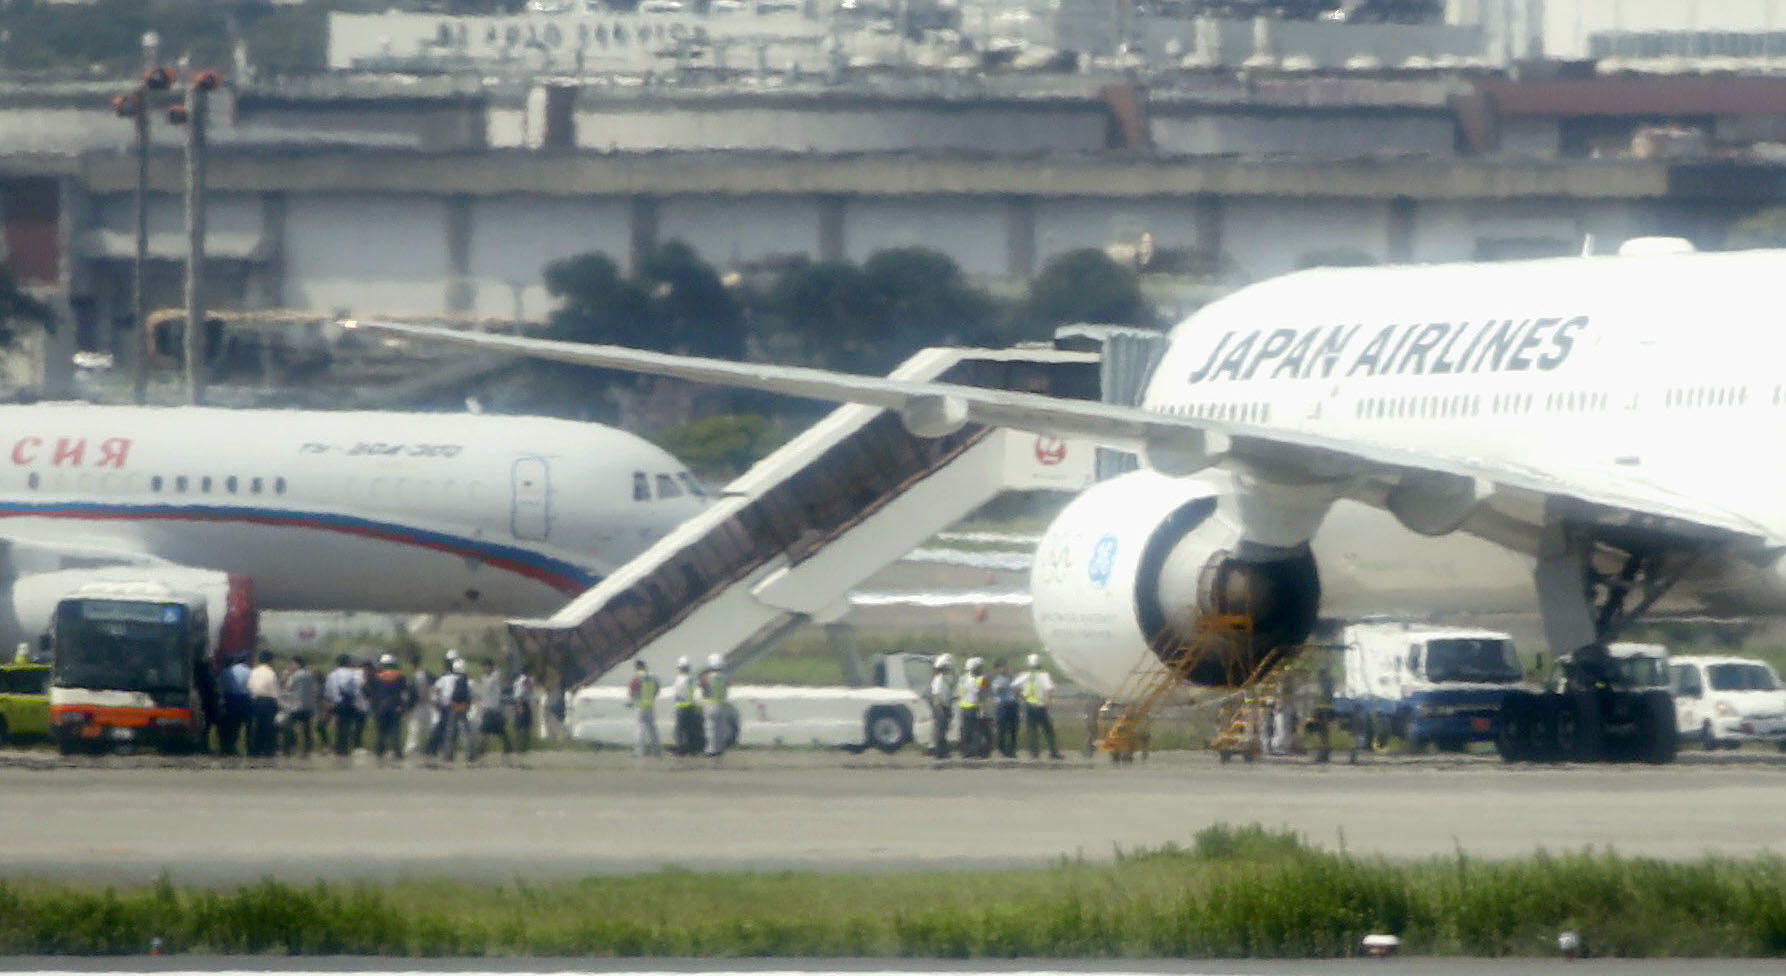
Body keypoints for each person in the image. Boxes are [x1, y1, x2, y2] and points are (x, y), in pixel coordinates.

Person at [1017, 653, 1063, 760]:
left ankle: (1034, 753)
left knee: (1032, 730)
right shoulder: (1043, 675)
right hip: (1041, 706)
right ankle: (1053, 752)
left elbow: (1014, 686)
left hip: (1029, 705)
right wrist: (1048, 701)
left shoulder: (1025, 675)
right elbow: (1050, 689)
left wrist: (1022, 696)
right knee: (1048, 730)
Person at [367, 653, 410, 764]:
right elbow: (404, 693)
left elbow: (371, 694)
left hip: (381, 708)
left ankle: (380, 753)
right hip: (395, 707)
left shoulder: (376, 676)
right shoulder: (400, 676)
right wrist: (404, 707)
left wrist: (373, 709)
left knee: (381, 732)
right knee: (395, 732)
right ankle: (397, 754)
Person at [323, 653, 364, 761]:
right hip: (350, 705)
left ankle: (339, 750)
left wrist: (329, 703)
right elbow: (357, 691)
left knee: (339, 727)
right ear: (348, 662)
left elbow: (328, 692)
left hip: (337, 705)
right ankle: (346, 750)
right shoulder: (353, 675)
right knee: (348, 727)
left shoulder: (332, 675)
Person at [432, 658, 473, 763]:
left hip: (454, 706)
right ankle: (470, 754)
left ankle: (449, 755)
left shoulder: (449, 678)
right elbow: (469, 693)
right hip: (463, 706)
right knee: (466, 732)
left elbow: (447, 693)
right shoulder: (465, 679)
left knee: (450, 731)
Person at [475, 657, 512, 760]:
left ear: (491, 667)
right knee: (484, 733)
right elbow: (481, 693)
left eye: (487, 666)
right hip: (487, 709)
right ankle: (480, 753)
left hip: (496, 710)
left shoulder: (496, 676)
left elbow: (503, 677)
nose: (485, 668)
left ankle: (508, 750)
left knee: (501, 732)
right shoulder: (483, 678)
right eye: (484, 667)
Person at [246, 650, 281, 759]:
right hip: (268, 701)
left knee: (257, 726)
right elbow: (275, 690)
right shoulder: (271, 673)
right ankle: (269, 750)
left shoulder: (254, 672)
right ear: (270, 660)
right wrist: (278, 703)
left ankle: (255, 750)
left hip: (255, 700)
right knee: (268, 727)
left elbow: (249, 686)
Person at [217, 653, 252, 757]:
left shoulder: (225, 671)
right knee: (242, 724)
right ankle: (245, 747)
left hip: (229, 699)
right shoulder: (249, 671)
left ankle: (228, 747)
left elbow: (220, 685)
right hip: (244, 699)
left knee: (230, 724)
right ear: (245, 660)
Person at [283, 655, 318, 758]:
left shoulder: (294, 675)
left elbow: (288, 688)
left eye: (293, 663)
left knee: (288, 727)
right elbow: (314, 689)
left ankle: (288, 749)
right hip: (308, 706)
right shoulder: (310, 674)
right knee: (307, 729)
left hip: (296, 706)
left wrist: (286, 677)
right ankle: (307, 750)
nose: (292, 665)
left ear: (297, 664)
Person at [627, 659, 663, 758]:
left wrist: (631, 702)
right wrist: (653, 696)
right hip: (650, 706)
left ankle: (639, 752)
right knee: (653, 729)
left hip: (640, 706)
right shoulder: (652, 677)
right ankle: (657, 751)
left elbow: (632, 691)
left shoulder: (636, 678)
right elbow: (658, 687)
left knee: (640, 729)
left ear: (637, 667)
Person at [404, 649, 434, 759]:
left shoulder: (416, 676)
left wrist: (408, 707)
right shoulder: (425, 673)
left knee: (415, 728)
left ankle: (412, 750)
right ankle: (429, 749)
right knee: (426, 728)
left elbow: (414, 693)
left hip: (419, 706)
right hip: (425, 705)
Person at [957, 657, 990, 759]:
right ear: (976, 668)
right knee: (977, 731)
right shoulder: (981, 679)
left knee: (966, 731)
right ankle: (976, 752)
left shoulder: (962, 678)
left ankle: (966, 752)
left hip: (963, 707)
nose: (982, 669)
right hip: (975, 707)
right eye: (980, 668)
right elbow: (982, 694)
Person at [699, 653, 731, 758]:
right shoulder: (725, 677)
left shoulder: (707, 677)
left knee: (710, 729)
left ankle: (711, 750)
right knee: (721, 729)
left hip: (711, 705)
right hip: (722, 705)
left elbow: (703, 688)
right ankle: (720, 749)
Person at [671, 656, 704, 756]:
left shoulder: (678, 680)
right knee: (691, 729)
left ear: (679, 668)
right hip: (691, 707)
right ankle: (693, 749)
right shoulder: (692, 678)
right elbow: (697, 691)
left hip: (681, 708)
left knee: (680, 730)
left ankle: (681, 750)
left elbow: (677, 695)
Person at [926, 654, 955, 759]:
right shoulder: (939, 679)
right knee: (940, 731)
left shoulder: (945, 679)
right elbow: (937, 696)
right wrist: (940, 709)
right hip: (941, 707)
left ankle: (943, 752)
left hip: (945, 706)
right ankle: (940, 753)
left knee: (943, 730)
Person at [992, 658, 1020, 759]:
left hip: (1013, 705)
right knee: (1002, 729)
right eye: (1001, 667)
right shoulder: (996, 680)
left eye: (1005, 667)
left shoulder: (1013, 679)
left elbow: (1018, 690)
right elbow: (997, 690)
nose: (1004, 669)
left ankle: (1012, 749)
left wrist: (1015, 685)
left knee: (1013, 729)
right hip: (1002, 706)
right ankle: (1002, 749)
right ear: (998, 669)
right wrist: (1007, 681)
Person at [511, 668, 535, 754]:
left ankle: (524, 747)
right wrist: (519, 707)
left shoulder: (530, 680)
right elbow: (518, 695)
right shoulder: (521, 681)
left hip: (526, 704)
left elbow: (531, 693)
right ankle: (518, 747)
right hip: (520, 704)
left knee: (527, 726)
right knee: (519, 727)